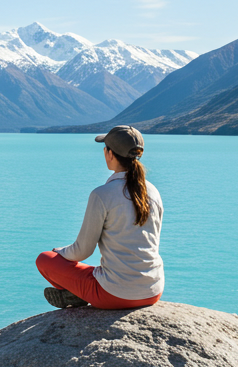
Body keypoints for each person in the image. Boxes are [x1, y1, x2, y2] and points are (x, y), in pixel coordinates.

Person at [36, 125, 163, 310]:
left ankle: (76, 293)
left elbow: (82, 251)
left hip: (114, 295)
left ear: (109, 154)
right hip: (153, 291)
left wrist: (60, 252)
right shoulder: (153, 192)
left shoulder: (102, 194)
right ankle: (75, 294)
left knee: (44, 259)